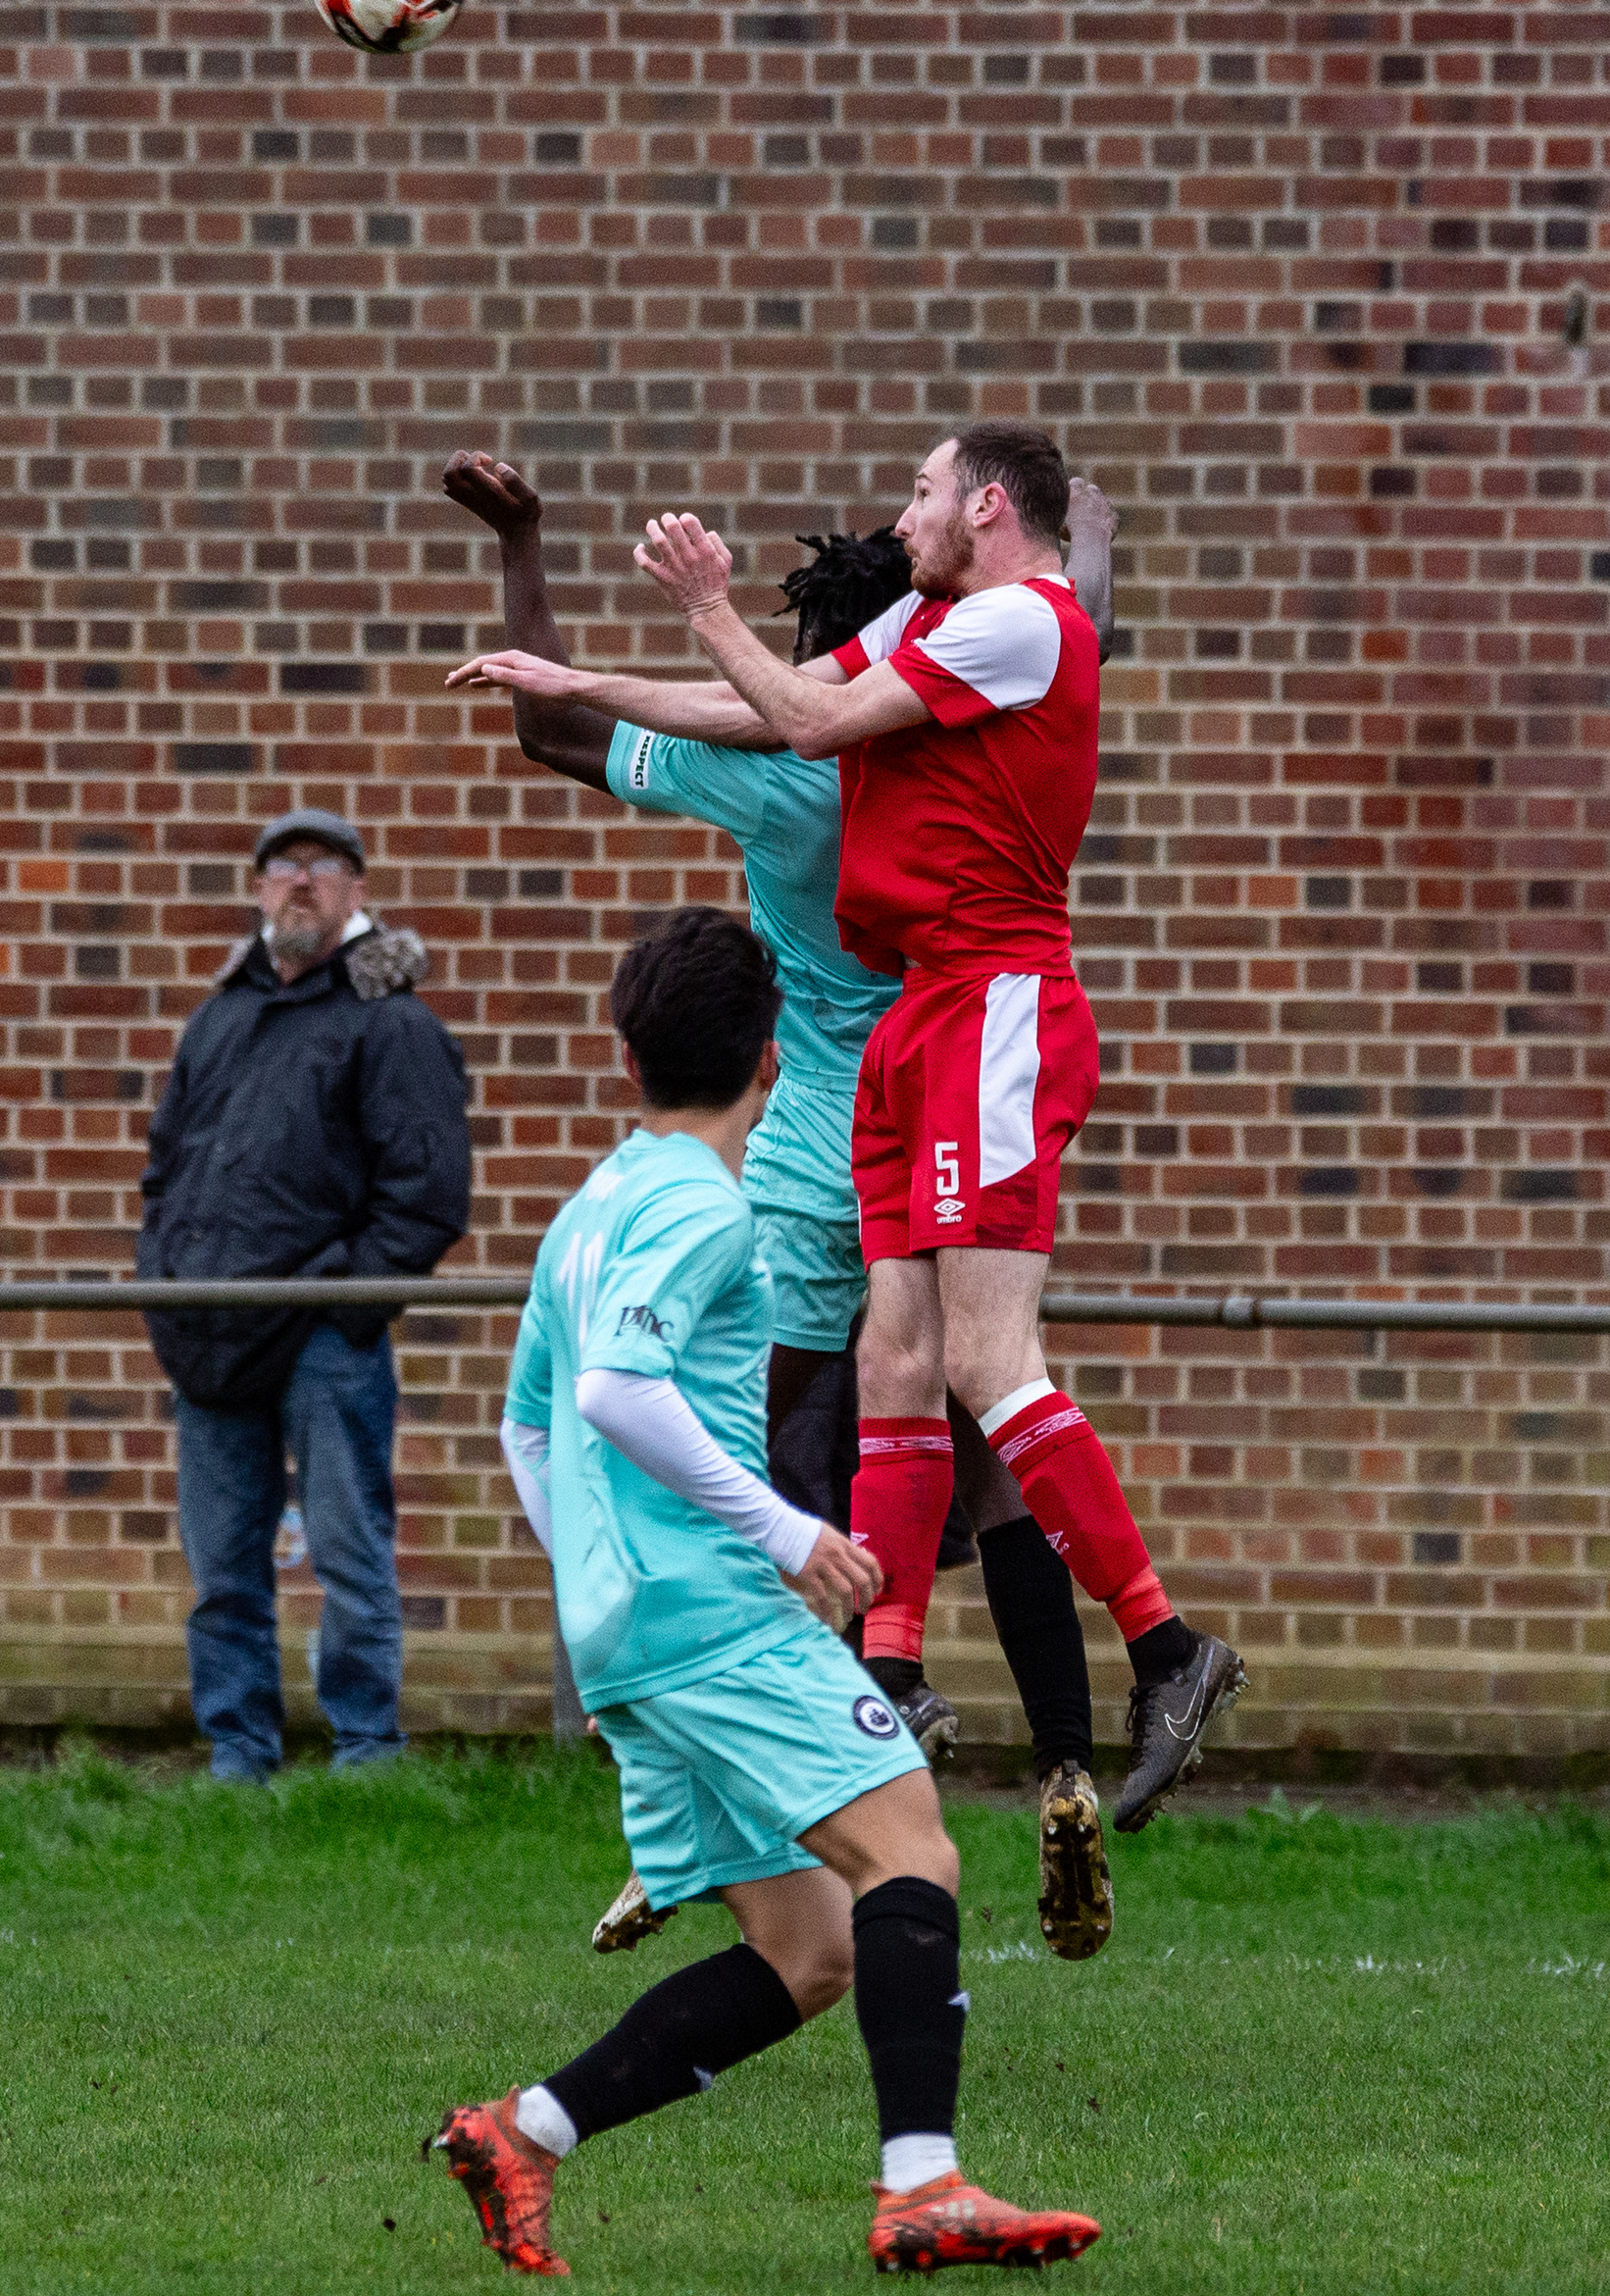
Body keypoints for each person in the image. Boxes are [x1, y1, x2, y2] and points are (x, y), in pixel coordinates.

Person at [443, 451, 1116, 1961]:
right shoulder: (959, 719)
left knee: (783, 1472)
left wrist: (528, 542)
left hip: (824, 1132)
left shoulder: (784, 761)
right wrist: (1077, 544)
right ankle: (1069, 1756)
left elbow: (556, 726)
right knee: (990, 1432)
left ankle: (765, 1771)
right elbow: (1062, 636)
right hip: (975, 1086)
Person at [428, 907, 1099, 2279]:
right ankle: (924, 2188)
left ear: (629, 1058)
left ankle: (523, 2131)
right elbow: (614, 1393)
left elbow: (529, 1429)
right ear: (775, 1059)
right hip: (712, 1614)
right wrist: (785, 1533)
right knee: (914, 1851)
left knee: (812, 1949)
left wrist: (596, 1610)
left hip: (634, 1634)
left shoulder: (592, 1207)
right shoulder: (701, 1205)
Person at [627, 425, 1246, 1835]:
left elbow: (807, 714)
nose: (901, 514)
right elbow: (788, 698)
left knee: (980, 1367)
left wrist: (704, 602)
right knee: (896, 1363)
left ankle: (1161, 1650)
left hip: (986, 1010)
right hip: (913, 1032)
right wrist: (558, 672)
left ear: (979, 509)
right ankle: (894, 1675)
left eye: (921, 490)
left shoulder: (990, 632)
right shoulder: (948, 631)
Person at [137, 808, 470, 1782]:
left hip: (327, 1341)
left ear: (356, 892)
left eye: (324, 867)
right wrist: (164, 1285)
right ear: (257, 888)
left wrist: (345, 1302)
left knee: (348, 1555)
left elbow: (427, 1194)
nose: (301, 882)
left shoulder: (391, 1024)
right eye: (283, 866)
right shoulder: (221, 1016)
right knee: (223, 1571)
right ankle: (237, 1751)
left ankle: (366, 1753)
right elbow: (166, 1170)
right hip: (207, 1335)